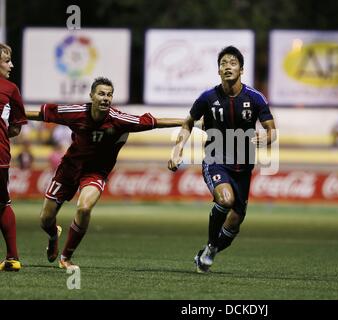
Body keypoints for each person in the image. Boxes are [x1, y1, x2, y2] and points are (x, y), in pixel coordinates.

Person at [26, 77, 184, 269]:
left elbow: (155, 122)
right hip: (69, 169)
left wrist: (188, 121)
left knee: (84, 208)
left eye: (109, 95)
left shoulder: (119, 119)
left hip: (95, 172)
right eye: (101, 93)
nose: (105, 98)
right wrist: (9, 114)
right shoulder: (76, 112)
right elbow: (41, 114)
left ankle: (66, 257)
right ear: (91, 95)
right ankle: (53, 236)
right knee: (45, 220)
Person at [168, 46, 276, 273]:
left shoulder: (255, 98)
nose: (227, 66)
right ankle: (210, 245)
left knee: (235, 222)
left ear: (242, 69)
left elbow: (272, 131)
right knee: (225, 200)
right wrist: (177, 149)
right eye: (223, 63)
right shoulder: (207, 97)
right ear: (218, 70)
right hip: (216, 159)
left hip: (244, 167)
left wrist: (265, 138)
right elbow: (188, 122)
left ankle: (210, 250)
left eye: (232, 63)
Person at [0, 43, 27, 271]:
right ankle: (12, 257)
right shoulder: (10, 89)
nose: (11, 65)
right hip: (0, 155)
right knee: (2, 204)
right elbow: (16, 128)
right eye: (7, 61)